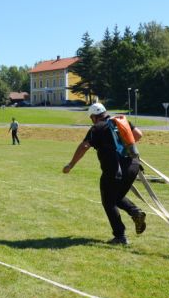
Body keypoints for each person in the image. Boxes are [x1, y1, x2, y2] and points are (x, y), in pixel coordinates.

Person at [62, 103, 147, 245]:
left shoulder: (97, 128)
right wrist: (122, 143)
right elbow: (138, 134)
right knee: (116, 197)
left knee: (108, 201)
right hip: (133, 166)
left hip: (115, 170)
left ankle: (120, 236)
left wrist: (71, 165)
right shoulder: (120, 121)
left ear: (94, 117)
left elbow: (84, 146)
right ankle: (135, 212)